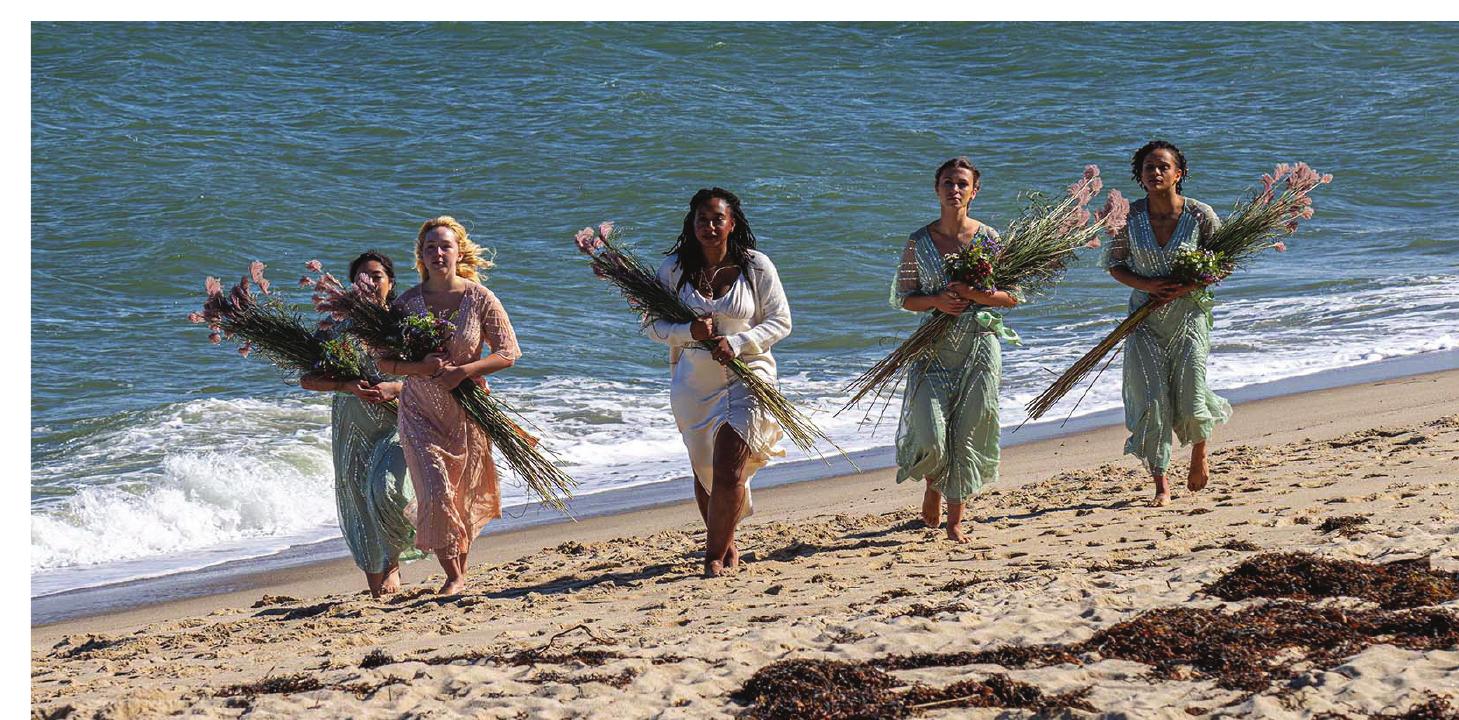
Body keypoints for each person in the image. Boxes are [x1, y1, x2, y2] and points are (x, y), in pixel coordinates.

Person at [645, 188, 790, 577]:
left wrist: (739, 341)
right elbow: (653, 327)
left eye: (717, 219)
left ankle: (711, 556)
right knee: (705, 470)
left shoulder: (756, 267)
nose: (709, 226)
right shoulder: (674, 270)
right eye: (702, 220)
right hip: (694, 382)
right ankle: (726, 542)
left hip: (751, 376)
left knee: (729, 470)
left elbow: (781, 321)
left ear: (732, 223)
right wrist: (688, 330)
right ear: (691, 226)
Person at [378, 216, 521, 594]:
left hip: (467, 411)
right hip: (419, 410)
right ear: (421, 256)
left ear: (459, 251)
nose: (437, 253)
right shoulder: (407, 303)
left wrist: (465, 371)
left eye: (444, 246)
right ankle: (453, 576)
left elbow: (508, 352)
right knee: (437, 490)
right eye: (430, 248)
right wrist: (419, 367)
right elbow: (384, 361)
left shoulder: (479, 298)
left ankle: (461, 567)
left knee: (462, 496)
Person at [892, 157, 1020, 543]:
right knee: (931, 436)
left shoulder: (990, 239)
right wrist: (936, 301)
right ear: (936, 189)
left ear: (974, 191)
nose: (954, 190)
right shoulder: (918, 240)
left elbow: (1012, 297)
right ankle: (933, 483)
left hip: (979, 347)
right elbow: (904, 298)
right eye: (947, 182)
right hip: (930, 348)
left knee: (967, 433)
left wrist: (973, 294)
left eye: (962, 184)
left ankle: (955, 522)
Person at [1101, 140, 1231, 506]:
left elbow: (1223, 264)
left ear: (1179, 173)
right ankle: (1161, 483)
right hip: (1143, 320)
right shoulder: (1128, 217)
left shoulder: (1201, 215)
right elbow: (1114, 265)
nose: (1155, 173)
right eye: (1148, 168)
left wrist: (1184, 287)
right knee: (1151, 398)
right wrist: (1149, 286)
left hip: (1189, 316)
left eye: (1163, 167)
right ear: (1139, 176)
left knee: (1190, 390)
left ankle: (1199, 451)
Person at [299, 251, 423, 597]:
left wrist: (396, 387)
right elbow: (307, 379)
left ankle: (404, 557)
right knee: (359, 502)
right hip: (352, 425)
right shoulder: (337, 329)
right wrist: (346, 385)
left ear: (391, 282)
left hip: (398, 420)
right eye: (362, 278)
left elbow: (433, 376)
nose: (369, 283)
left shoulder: (405, 327)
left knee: (387, 490)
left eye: (377, 276)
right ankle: (380, 589)